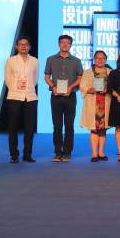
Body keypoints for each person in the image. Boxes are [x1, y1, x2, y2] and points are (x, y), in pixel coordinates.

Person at [44, 34, 83, 162]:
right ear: (59, 44)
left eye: (67, 42)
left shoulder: (76, 61)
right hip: (55, 96)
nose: (65, 44)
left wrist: (70, 88)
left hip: (70, 96)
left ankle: (67, 152)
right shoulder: (50, 59)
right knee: (57, 126)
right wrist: (53, 87)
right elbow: (46, 77)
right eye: (62, 42)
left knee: (69, 125)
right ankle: (58, 152)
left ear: (71, 45)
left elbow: (80, 78)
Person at [4, 36, 38, 163]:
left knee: (29, 128)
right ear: (17, 46)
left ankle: (27, 154)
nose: (23, 46)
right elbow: (7, 78)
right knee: (13, 127)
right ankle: (14, 155)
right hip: (14, 96)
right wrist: (16, 89)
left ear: (29, 47)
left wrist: (27, 88)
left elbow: (35, 79)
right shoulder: (10, 60)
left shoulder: (35, 61)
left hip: (30, 97)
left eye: (26, 44)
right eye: (21, 44)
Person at [79, 50, 112, 163]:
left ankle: (101, 153)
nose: (100, 60)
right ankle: (94, 154)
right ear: (94, 59)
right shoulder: (88, 72)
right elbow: (83, 86)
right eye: (97, 58)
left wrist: (108, 89)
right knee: (94, 129)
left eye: (102, 58)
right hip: (93, 102)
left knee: (103, 129)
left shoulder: (110, 72)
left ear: (106, 60)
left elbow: (114, 87)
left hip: (106, 102)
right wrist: (91, 89)